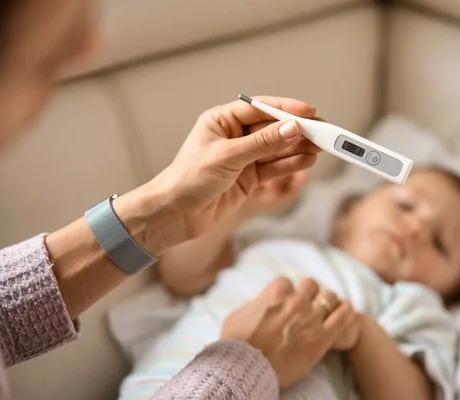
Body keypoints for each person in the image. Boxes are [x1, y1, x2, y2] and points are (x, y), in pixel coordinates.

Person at [0, 1, 354, 399]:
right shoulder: (281, 244)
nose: (90, 44)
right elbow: (188, 274)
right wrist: (246, 363)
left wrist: (163, 209)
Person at [118, 166, 460, 400]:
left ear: (449, 290)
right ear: (351, 210)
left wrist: (361, 331)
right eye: (406, 206)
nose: (415, 229)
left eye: (440, 244)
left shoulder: (410, 302)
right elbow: (182, 274)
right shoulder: (275, 242)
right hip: (169, 381)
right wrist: (242, 207)